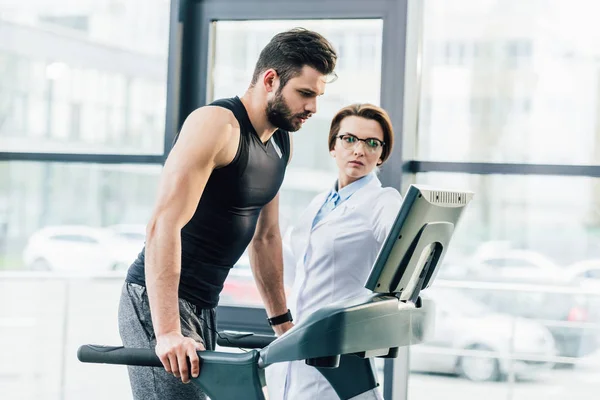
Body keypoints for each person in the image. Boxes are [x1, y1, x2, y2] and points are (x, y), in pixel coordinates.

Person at [118, 28, 337, 400]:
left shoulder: (281, 140)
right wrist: (169, 329)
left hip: (206, 303)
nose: (313, 108)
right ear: (270, 79)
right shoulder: (217, 125)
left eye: (317, 96)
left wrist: (282, 322)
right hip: (159, 300)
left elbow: (266, 237)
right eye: (305, 93)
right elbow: (162, 224)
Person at [266, 104, 402, 400]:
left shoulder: (383, 202)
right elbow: (301, 270)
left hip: (339, 355)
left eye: (372, 143)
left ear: (382, 154)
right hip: (297, 344)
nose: (359, 150)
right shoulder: (319, 203)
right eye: (349, 139)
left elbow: (402, 251)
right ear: (333, 147)